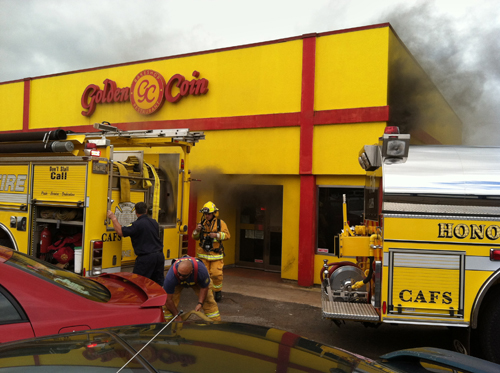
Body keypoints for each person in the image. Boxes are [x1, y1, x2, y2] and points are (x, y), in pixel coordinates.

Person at [107, 202, 165, 286]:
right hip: (159, 257)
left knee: (137, 284)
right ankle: (160, 298)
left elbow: (120, 232)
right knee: (157, 284)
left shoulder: (137, 225)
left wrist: (113, 218)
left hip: (146, 259)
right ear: (146, 210)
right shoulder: (154, 222)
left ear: (136, 212)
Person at [192, 201, 230, 302]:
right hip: (203, 255)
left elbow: (227, 235)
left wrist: (217, 235)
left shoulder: (220, 223)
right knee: (204, 276)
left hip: (216, 254)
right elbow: (195, 237)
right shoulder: (201, 224)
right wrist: (196, 231)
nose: (207, 216)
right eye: (205, 214)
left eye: (208, 214)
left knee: (216, 274)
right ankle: (206, 293)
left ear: (214, 213)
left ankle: (217, 292)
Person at [163, 256, 221, 322]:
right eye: (179, 274)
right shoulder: (171, 277)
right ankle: (169, 323)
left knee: (209, 301)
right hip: (177, 282)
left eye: (184, 275)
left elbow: (204, 288)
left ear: (191, 272)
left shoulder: (201, 271)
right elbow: (168, 300)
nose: (181, 277)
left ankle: (215, 324)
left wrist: (200, 303)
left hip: (197, 281)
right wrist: (176, 315)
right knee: (167, 305)